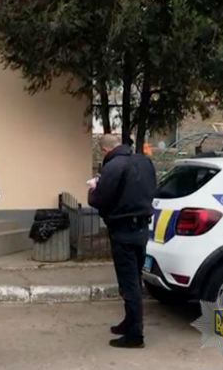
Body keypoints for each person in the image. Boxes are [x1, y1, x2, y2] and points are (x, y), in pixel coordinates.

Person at [88, 134, 157, 349]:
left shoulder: (113, 166)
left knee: (129, 284)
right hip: (142, 229)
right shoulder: (145, 162)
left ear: (105, 150)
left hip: (123, 231)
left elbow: (100, 199)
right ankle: (129, 322)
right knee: (134, 278)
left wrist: (93, 189)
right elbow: (152, 189)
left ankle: (135, 335)